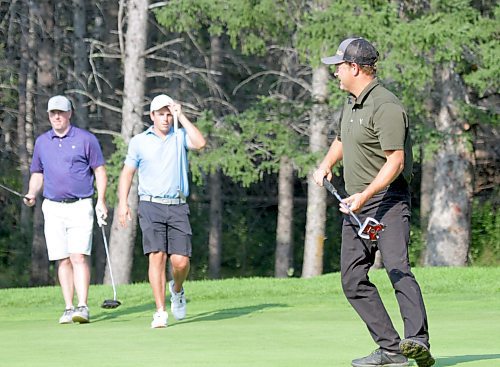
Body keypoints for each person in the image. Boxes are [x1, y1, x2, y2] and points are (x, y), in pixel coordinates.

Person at [313, 38, 435, 367]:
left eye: (339, 66)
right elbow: (342, 138)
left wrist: (365, 195)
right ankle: (392, 349)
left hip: (387, 203)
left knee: (397, 267)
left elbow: (394, 161)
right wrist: (327, 164)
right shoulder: (352, 103)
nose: (335, 72)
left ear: (355, 68)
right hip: (358, 207)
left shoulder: (386, 106)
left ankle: (418, 341)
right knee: (352, 279)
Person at [117, 94, 206, 328]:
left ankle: (177, 290)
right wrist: (123, 204)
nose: (166, 119)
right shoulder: (139, 141)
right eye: (161, 114)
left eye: (168, 114)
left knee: (180, 262)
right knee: (156, 257)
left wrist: (182, 116)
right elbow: (127, 173)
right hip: (150, 204)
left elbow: (200, 143)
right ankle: (160, 311)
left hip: (177, 205)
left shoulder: (179, 136)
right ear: (152, 116)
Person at [24, 95, 108, 324]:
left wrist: (101, 200)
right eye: (53, 113)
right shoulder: (42, 142)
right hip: (52, 207)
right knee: (62, 259)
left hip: (80, 205)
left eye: (61, 112)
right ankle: (69, 307)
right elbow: (38, 173)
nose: (57, 117)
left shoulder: (85, 139)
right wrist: (32, 193)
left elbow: (99, 171)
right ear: (49, 115)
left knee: (78, 255)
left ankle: (83, 306)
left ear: (70, 114)